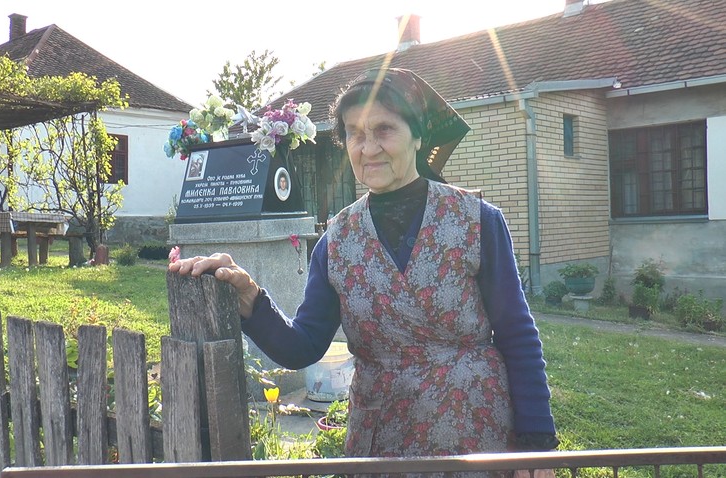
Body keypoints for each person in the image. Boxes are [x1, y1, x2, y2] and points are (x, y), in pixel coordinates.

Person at [170, 68, 558, 477]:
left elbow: (517, 334)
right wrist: (251, 299)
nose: (368, 147)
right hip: (382, 441)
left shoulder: (476, 221)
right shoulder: (337, 240)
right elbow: (303, 346)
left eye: (384, 129)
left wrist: (536, 448)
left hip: (476, 435)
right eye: (355, 133)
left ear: (418, 135)